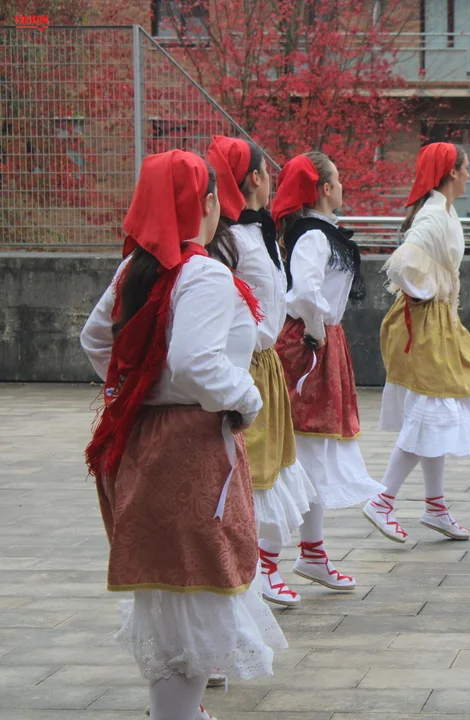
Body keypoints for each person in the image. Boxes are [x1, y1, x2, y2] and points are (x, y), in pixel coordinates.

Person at [80, 150, 286, 720]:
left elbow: (95, 342)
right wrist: (246, 397)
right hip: (191, 448)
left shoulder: (135, 269)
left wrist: (141, 386)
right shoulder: (205, 275)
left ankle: (176, 711)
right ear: (208, 203)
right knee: (197, 596)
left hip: (142, 442)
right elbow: (197, 364)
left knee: (171, 594)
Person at [363, 142, 470, 543]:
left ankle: (435, 507)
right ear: (452, 172)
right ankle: (382, 501)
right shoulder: (433, 215)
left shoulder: (442, 211)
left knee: (435, 412)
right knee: (430, 412)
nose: (469, 174)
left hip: (435, 323)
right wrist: (426, 290)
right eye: (466, 167)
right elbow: (401, 264)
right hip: (425, 326)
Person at [206, 136, 318, 607]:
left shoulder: (261, 234)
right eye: (267, 171)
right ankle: (247, 570)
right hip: (243, 362)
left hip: (267, 364)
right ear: (254, 178)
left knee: (271, 465)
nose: (272, 179)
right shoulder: (230, 240)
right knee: (245, 469)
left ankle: (263, 566)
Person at [273, 151, 384, 590]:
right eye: (337, 179)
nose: (342, 185)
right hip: (308, 344)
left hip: (319, 340)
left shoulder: (317, 232)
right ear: (323, 188)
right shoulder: (314, 236)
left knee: (311, 451)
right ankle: (268, 561)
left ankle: (311, 554)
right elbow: (304, 293)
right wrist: (318, 333)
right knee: (302, 452)